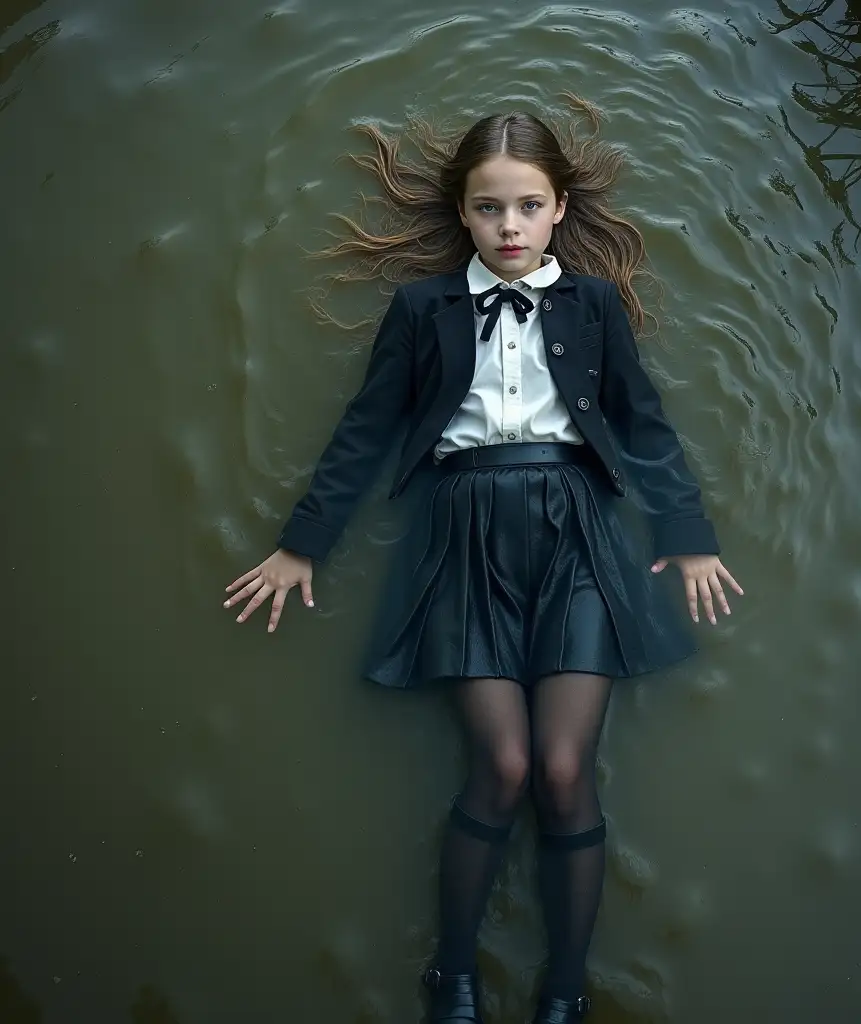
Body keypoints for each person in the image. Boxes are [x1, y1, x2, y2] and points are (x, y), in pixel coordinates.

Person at [223, 103, 743, 1023]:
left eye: (528, 206)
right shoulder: (421, 308)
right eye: (489, 208)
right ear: (461, 214)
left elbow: (643, 421)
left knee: (562, 767)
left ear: (559, 208)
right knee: (500, 766)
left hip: (577, 527)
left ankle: (566, 989)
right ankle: (454, 974)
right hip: (462, 529)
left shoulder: (594, 304)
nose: (509, 227)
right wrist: (303, 542)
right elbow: (369, 428)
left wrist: (688, 535)